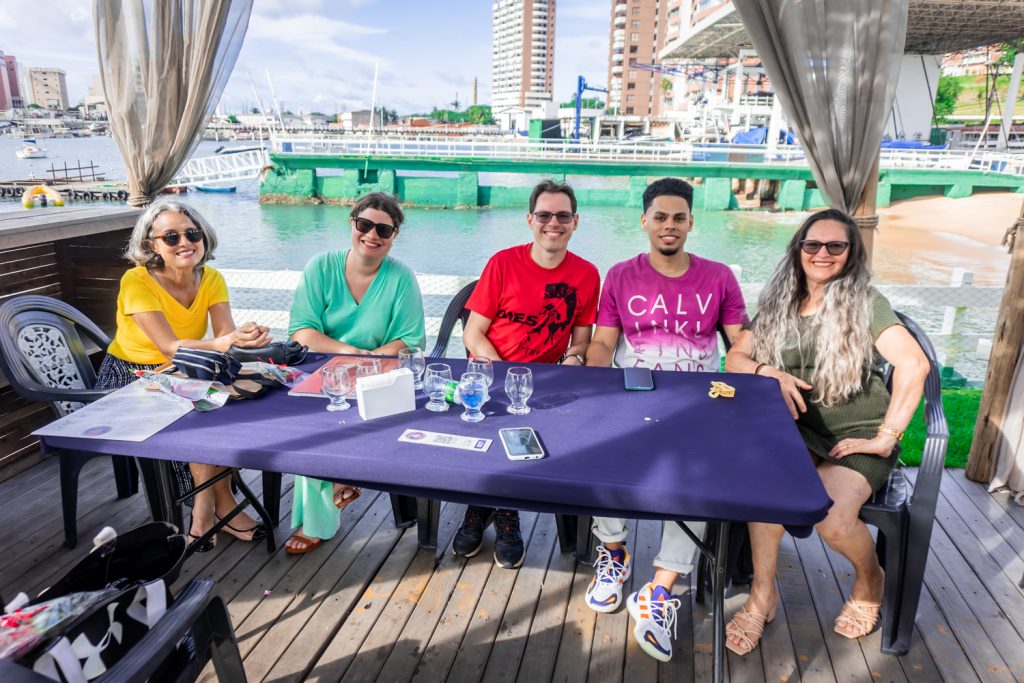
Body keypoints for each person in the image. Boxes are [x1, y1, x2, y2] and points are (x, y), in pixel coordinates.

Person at [723, 208, 929, 655]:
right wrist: (769, 373)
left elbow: (915, 364)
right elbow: (734, 360)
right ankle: (763, 595)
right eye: (812, 244)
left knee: (834, 520)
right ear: (798, 249)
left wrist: (887, 436)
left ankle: (871, 577)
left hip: (854, 433)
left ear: (851, 254)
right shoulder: (780, 302)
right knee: (765, 491)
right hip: (792, 430)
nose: (822, 254)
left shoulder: (865, 303)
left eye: (836, 245)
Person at [583, 177, 748, 662]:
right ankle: (612, 554)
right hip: (632, 399)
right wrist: (591, 380)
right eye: (660, 217)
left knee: (697, 475)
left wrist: (752, 361)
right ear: (645, 221)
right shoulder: (619, 275)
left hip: (697, 404)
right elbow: (604, 343)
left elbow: (740, 340)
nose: (669, 226)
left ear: (691, 222)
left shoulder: (718, 277)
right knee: (600, 458)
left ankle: (660, 587)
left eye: (678, 217)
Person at [97, 199, 272, 551]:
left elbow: (226, 337)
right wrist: (224, 341)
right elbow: (167, 346)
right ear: (151, 245)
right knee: (202, 410)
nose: (184, 242)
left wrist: (245, 337)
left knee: (225, 406)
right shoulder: (136, 281)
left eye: (191, 233)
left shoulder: (211, 278)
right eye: (171, 236)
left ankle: (209, 509)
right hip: (130, 375)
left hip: (185, 369)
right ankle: (217, 509)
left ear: (203, 236)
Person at [454, 179, 601, 569]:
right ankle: (500, 511)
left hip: (547, 379)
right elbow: (473, 333)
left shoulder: (587, 274)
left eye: (563, 216)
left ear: (575, 222)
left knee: (537, 438)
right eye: (544, 215)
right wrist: (504, 374)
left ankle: (493, 507)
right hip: (490, 372)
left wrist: (574, 361)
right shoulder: (503, 262)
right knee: (489, 431)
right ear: (530, 220)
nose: (553, 223)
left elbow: (582, 341)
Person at [286, 192, 426, 554]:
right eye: (365, 225)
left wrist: (368, 362)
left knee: (339, 419)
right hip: (324, 367)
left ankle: (320, 516)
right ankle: (336, 486)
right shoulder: (321, 267)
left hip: (379, 373)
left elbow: (409, 340)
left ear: (394, 235)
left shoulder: (401, 278)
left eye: (384, 229)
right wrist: (350, 353)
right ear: (352, 223)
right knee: (308, 429)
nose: (372, 235)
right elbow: (302, 331)